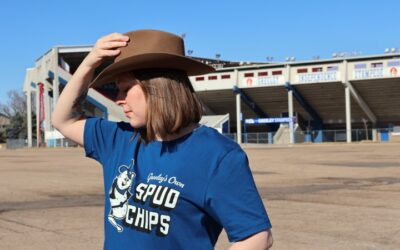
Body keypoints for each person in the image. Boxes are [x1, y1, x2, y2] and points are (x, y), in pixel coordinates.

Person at [52, 29, 273, 249]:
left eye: (126, 89)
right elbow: (63, 120)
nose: (119, 100)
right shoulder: (119, 139)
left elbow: (256, 237)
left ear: (158, 87)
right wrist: (89, 63)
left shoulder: (217, 155)